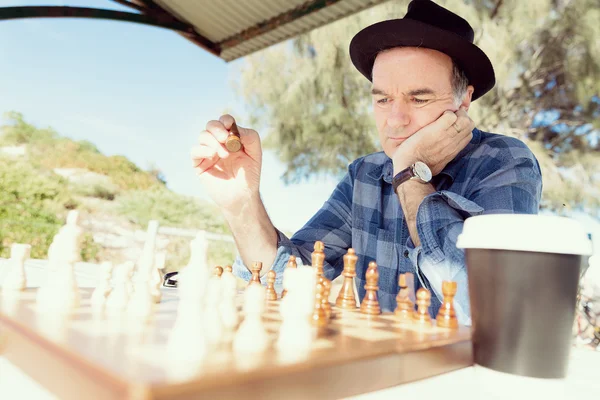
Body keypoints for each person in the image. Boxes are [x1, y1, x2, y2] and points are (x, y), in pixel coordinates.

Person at [190, 0, 542, 324]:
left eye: (419, 99)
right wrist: (241, 203)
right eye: (383, 99)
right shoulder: (365, 175)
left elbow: (491, 303)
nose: (394, 120)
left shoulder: (505, 162)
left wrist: (410, 175)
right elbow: (285, 281)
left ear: (463, 101)